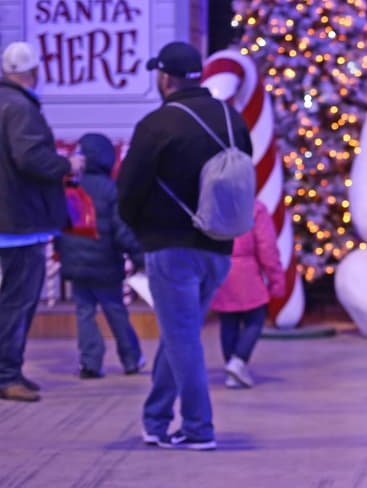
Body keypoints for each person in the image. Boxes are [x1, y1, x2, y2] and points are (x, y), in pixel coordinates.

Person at [118, 41, 252, 450]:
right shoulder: (232, 119)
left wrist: (139, 231)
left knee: (183, 337)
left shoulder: (157, 125)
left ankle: (198, 428)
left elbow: (128, 192)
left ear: (164, 77)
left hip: (171, 247)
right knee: (181, 334)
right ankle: (156, 421)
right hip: (220, 245)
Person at [0, 41, 85, 402]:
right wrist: (68, 165)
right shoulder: (21, 108)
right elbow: (31, 157)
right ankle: (7, 374)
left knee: (11, 299)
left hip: (9, 217)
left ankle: (9, 370)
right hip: (21, 220)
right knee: (18, 301)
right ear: (34, 72)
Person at [54, 133, 146, 380]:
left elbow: (60, 229)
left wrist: (65, 257)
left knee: (84, 313)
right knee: (115, 311)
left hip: (76, 266)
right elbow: (122, 232)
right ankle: (131, 360)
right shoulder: (112, 190)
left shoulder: (70, 188)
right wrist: (139, 257)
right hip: (106, 265)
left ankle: (90, 364)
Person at [209, 200, 284, 389]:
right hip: (247, 273)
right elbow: (267, 247)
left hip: (221, 271)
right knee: (255, 318)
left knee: (228, 321)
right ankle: (239, 361)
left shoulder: (215, 206)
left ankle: (232, 370)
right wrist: (276, 278)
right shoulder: (254, 208)